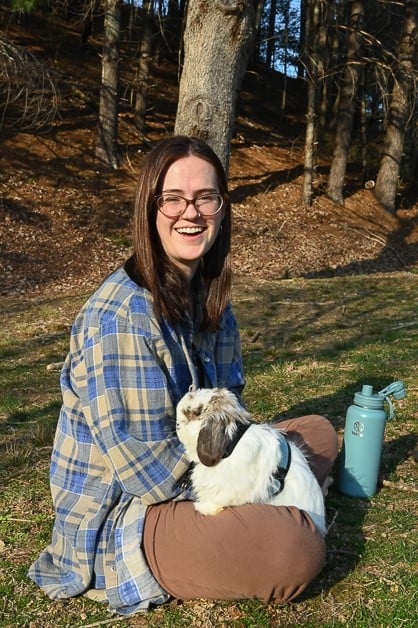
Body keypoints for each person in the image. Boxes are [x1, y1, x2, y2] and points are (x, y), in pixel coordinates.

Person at [28, 136, 338, 616]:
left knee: (318, 432)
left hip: (202, 468)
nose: (189, 213)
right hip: (130, 516)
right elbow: (148, 474)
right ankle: (271, 521)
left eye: (205, 198)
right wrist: (250, 473)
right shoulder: (123, 318)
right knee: (294, 549)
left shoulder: (209, 296)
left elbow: (229, 409)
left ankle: (267, 511)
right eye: (172, 199)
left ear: (222, 208)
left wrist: (252, 462)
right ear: (149, 209)